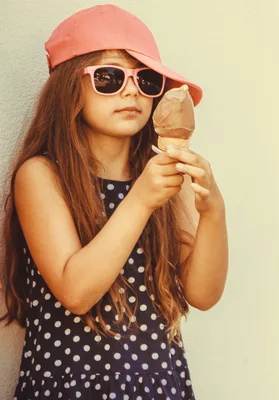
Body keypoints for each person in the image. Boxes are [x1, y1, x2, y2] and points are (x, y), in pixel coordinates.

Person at [0, 4, 229, 399]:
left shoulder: (163, 174)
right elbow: (76, 291)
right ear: (71, 89)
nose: (131, 91)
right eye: (109, 77)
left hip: (157, 382)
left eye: (147, 80)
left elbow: (203, 294)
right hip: (73, 384)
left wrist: (213, 213)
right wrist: (140, 201)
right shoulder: (42, 176)